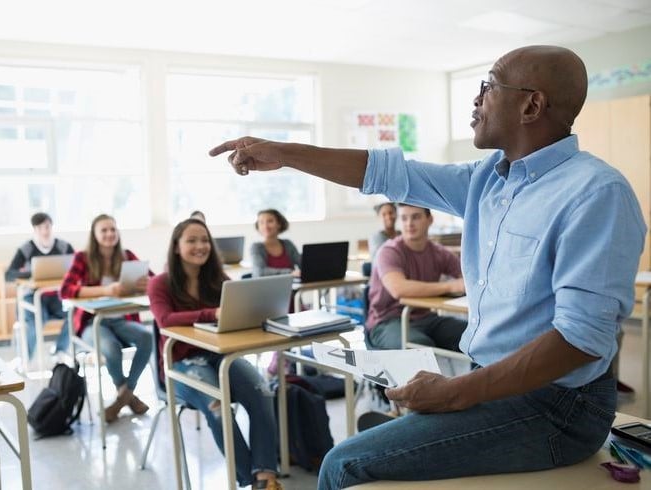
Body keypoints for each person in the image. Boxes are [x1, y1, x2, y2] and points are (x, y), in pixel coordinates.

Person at [209, 45, 647, 488]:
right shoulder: (487, 179)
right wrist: (285, 154)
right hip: (497, 384)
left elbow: (580, 340)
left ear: (531, 104)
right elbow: (385, 173)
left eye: (488, 86)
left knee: (342, 465)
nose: (476, 100)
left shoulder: (596, 193)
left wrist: (455, 394)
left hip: (559, 408)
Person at [148, 218, 282, 490]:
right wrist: (211, 313)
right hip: (180, 365)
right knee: (217, 405)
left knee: (262, 391)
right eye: (192, 240)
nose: (200, 246)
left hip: (221, 357)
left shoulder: (219, 280)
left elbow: (236, 311)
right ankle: (249, 480)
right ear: (176, 247)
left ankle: (265, 477)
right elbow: (165, 319)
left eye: (205, 240)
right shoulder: (159, 284)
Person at [60, 214, 152, 423]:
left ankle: (123, 397)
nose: (110, 234)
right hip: (92, 322)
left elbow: (154, 281)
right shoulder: (82, 258)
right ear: (94, 234)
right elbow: (65, 291)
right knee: (111, 349)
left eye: (113, 229)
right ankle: (129, 397)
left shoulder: (127, 255)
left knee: (147, 337)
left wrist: (145, 284)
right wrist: (105, 290)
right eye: (104, 230)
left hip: (122, 319)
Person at [366, 204, 466, 351]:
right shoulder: (388, 251)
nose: (409, 224)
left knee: (475, 335)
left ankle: (476, 374)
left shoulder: (439, 252)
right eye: (404, 218)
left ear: (430, 220)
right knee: (420, 346)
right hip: (387, 321)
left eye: (416, 217)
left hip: (426, 317)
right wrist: (451, 286)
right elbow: (398, 289)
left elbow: (469, 278)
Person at [6, 212, 74, 358]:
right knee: (36, 320)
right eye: (40, 228)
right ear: (35, 229)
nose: (44, 231)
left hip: (57, 297)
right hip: (33, 297)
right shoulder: (27, 248)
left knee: (76, 314)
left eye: (47, 227)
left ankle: (59, 351)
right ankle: (24, 360)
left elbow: (76, 268)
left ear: (51, 226)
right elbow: (9, 274)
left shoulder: (63, 246)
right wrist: (31, 273)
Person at [250, 208, 301, 278]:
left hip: (290, 286)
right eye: (261, 222)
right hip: (265, 287)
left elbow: (301, 263)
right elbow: (261, 271)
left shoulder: (288, 244)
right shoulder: (256, 247)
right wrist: (290, 272)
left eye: (270, 221)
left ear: (279, 224)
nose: (266, 226)